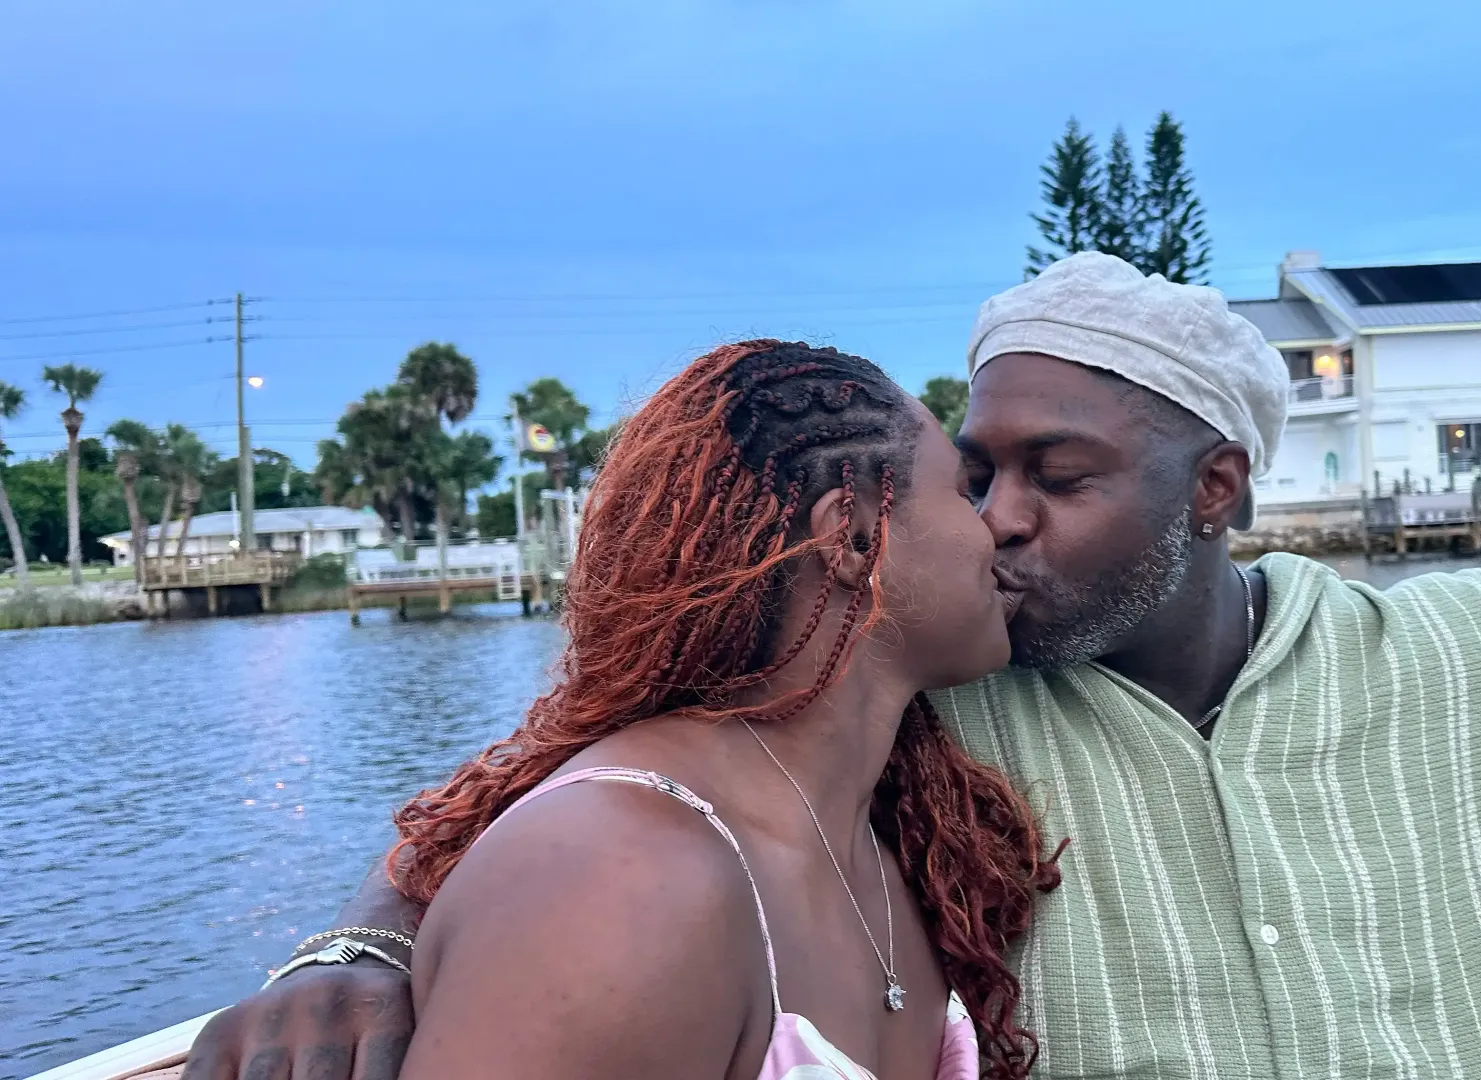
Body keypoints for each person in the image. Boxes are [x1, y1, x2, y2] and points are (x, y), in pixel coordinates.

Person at [185, 254, 1481, 1080]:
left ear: (1217, 490)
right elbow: (578, 784)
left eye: (1061, 479)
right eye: (978, 471)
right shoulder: (920, 708)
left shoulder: (1473, 651)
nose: (1002, 520)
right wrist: (363, 939)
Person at [238, 340, 1062, 1080]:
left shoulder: (883, 831)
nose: (997, 525)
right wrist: (352, 947)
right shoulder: (626, 880)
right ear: (851, 539)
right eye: (964, 490)